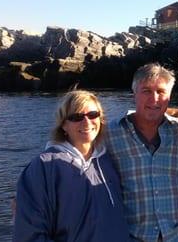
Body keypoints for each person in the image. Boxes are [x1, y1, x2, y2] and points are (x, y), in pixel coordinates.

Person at [13, 90, 128, 241]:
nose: (86, 122)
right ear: (64, 125)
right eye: (76, 117)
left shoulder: (110, 160)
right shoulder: (44, 167)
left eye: (93, 114)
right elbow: (29, 233)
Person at [104, 63, 178, 242]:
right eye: (146, 91)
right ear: (134, 93)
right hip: (133, 236)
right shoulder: (109, 134)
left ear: (169, 96)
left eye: (161, 92)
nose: (154, 99)